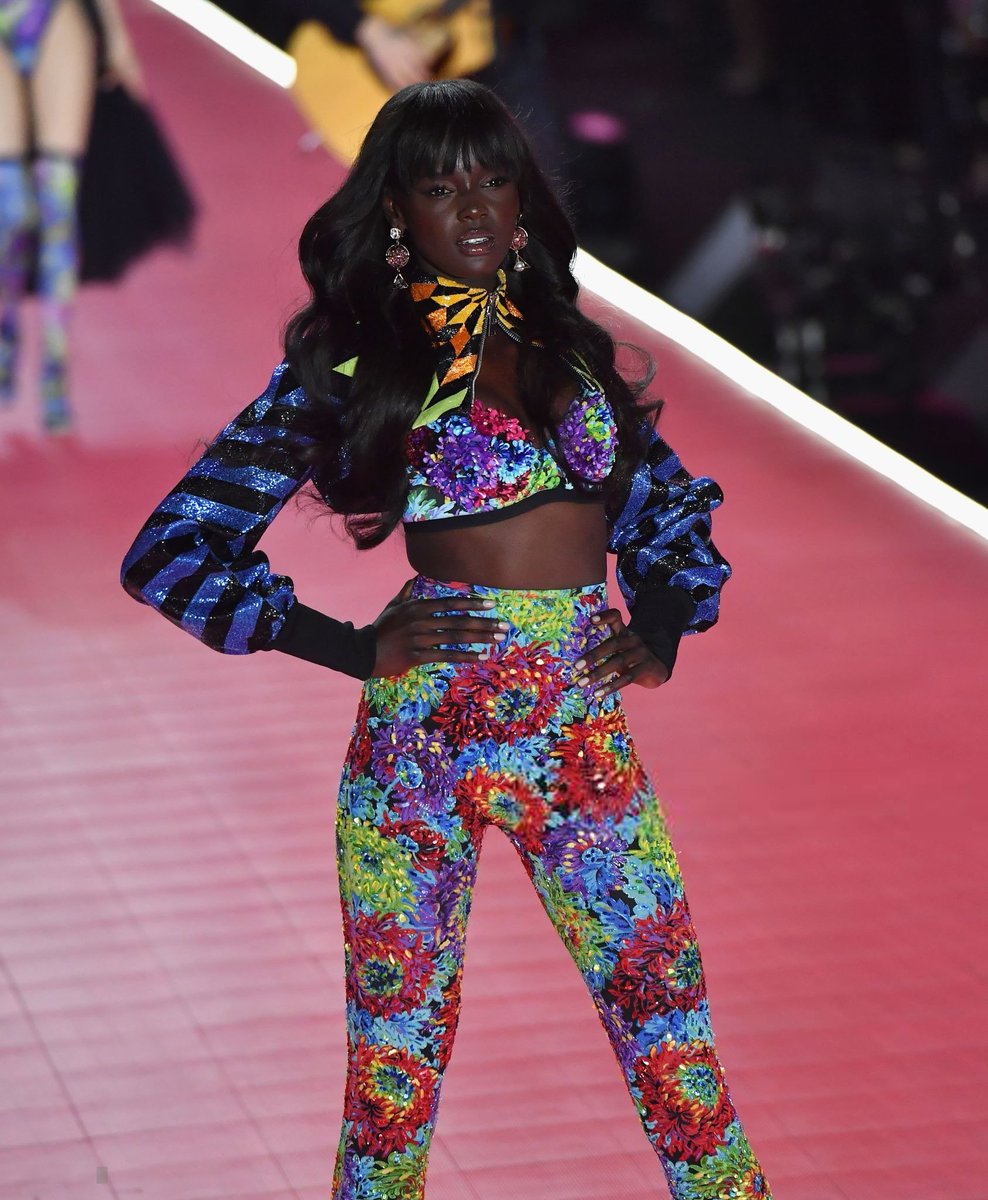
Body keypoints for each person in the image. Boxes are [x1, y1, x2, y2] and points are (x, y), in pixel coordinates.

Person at [121, 80, 771, 1200]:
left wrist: (660, 621)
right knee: (395, 1071)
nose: (471, 205)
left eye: (492, 177)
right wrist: (345, 647)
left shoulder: (569, 350)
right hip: (418, 746)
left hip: (579, 740)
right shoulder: (353, 365)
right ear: (396, 215)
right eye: (437, 185)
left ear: (524, 201)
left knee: (673, 1041)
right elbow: (173, 549)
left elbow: (668, 515)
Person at [0, 0, 143, 431]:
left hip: (56, 13)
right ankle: (6, 336)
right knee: (13, 210)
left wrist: (116, 35)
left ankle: (54, 372)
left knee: (58, 204)